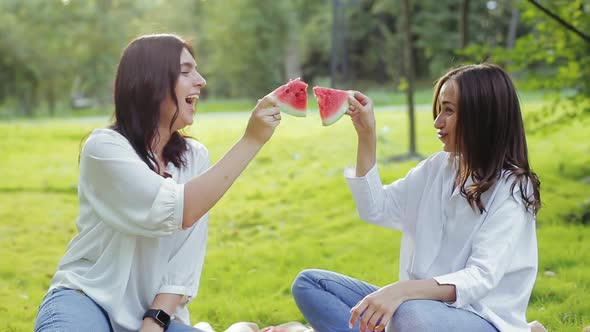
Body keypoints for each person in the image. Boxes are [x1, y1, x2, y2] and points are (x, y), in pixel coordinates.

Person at [34, 34, 281, 332]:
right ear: (151, 82)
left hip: (156, 313)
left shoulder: (194, 157)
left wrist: (154, 322)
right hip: (87, 298)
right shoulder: (104, 148)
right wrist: (252, 140)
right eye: (186, 71)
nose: (201, 81)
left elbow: (183, 261)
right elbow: (177, 209)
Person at [291, 63, 542, 332]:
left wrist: (402, 291)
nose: (437, 122)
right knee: (310, 284)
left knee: (408, 316)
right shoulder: (437, 167)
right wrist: (367, 135)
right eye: (440, 110)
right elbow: (376, 208)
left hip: (481, 319)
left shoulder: (513, 187)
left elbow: (480, 277)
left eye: (449, 110)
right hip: (414, 307)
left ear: (480, 116)